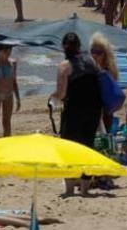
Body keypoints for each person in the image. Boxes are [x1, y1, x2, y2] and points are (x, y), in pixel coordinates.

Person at [52, 32, 102, 196]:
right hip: (94, 109)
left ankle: (69, 189)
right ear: (80, 46)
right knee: (87, 147)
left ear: (63, 47)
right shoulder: (91, 61)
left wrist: (52, 97)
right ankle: (85, 189)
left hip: (74, 110)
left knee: (69, 148)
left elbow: (61, 93)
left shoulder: (64, 66)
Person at [91, 34, 121, 134]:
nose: (94, 55)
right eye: (93, 51)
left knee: (104, 137)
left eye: (98, 52)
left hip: (105, 111)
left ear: (105, 54)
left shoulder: (109, 71)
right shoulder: (88, 68)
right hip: (92, 110)